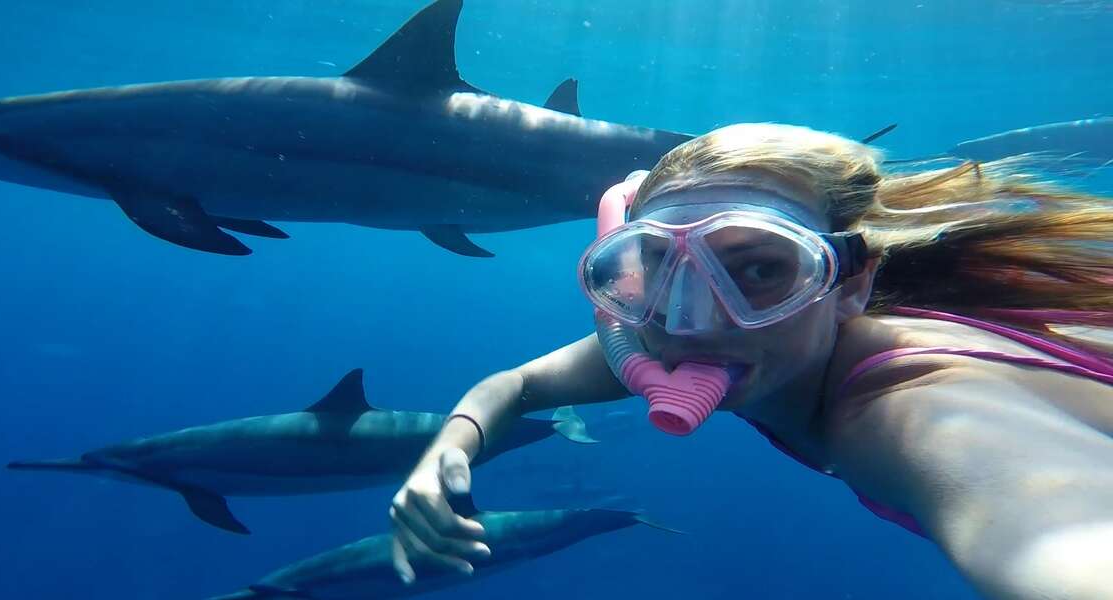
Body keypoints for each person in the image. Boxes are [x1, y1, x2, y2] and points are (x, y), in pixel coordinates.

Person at [388, 123, 1113, 599]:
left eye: (761, 271)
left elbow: (1060, 540)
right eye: (657, 269)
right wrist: (447, 449)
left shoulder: (905, 408)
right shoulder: (679, 335)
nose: (690, 321)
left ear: (849, 282)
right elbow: (514, 385)